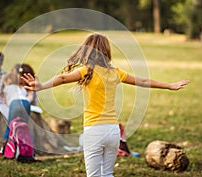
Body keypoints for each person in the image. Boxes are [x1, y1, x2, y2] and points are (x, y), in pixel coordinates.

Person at [22, 33, 190, 177]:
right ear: (107, 51)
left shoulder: (86, 71)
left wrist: (42, 86)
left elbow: (63, 78)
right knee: (107, 174)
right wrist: (169, 85)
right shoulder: (115, 72)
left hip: (94, 131)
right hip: (113, 131)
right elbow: (143, 81)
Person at [3, 63, 35, 139]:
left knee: (10, 126)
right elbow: (30, 98)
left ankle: (5, 145)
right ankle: (25, 146)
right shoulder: (23, 88)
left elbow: (5, 102)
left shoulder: (7, 87)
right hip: (25, 103)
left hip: (14, 104)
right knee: (24, 127)